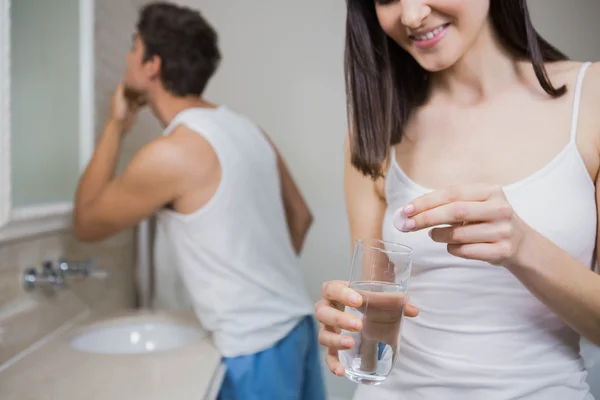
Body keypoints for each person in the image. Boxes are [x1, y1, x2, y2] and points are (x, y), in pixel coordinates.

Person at [315, 0, 600, 399]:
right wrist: (345, 321)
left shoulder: (592, 100)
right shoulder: (375, 130)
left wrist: (523, 248)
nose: (411, 15)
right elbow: (372, 307)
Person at [72, 2, 325, 399]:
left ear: (152, 65)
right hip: (297, 327)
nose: (127, 56)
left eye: (133, 46)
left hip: (254, 347)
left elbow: (85, 223)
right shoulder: (247, 129)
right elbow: (302, 216)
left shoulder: (172, 152)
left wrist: (116, 124)